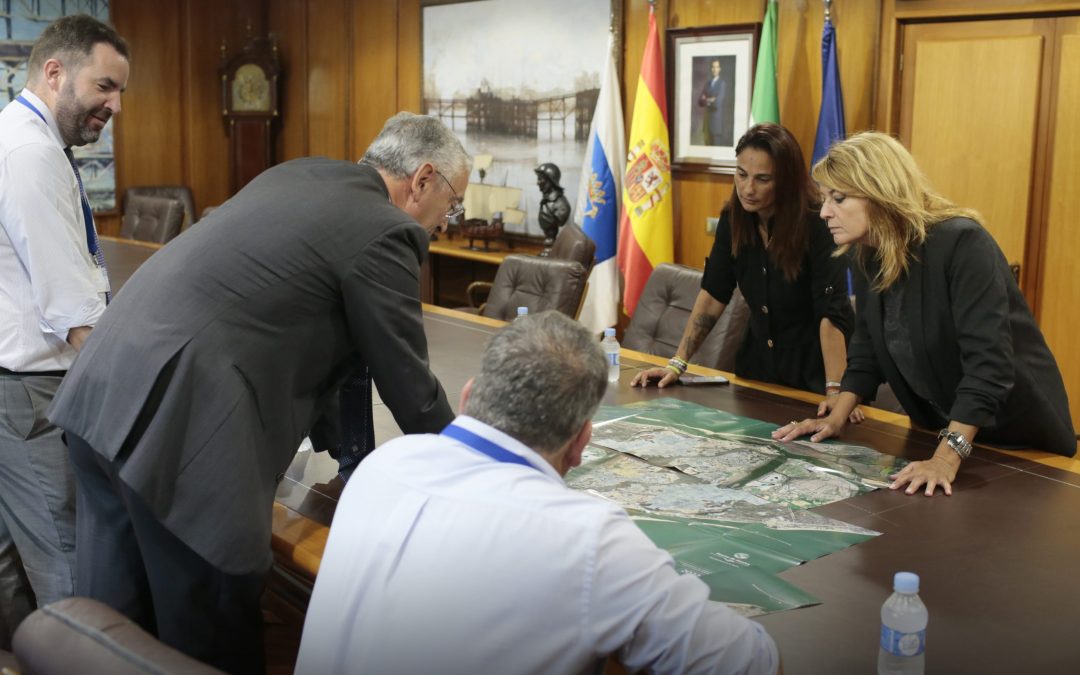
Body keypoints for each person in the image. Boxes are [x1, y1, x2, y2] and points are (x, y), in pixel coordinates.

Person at [47, 111, 467, 673]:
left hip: (100, 398)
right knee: (206, 637)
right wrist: (474, 462)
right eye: (453, 202)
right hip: (178, 435)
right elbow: (409, 384)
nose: (448, 220)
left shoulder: (300, 175)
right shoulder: (385, 228)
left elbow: (315, 333)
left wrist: (347, 454)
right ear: (422, 179)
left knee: (112, 635)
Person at [295, 311, 781, 675]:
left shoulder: (385, 466)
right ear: (581, 443)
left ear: (467, 398)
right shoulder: (587, 539)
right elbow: (751, 663)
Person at [773, 131, 1075, 497]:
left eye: (838, 198)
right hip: (945, 435)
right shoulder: (868, 251)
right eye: (824, 199)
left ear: (881, 193)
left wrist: (947, 458)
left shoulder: (963, 244)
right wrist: (835, 419)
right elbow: (868, 349)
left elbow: (989, 365)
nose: (824, 212)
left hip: (1018, 443)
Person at [0, 14, 129, 646]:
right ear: (55, 73)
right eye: (106, 86)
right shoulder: (30, 152)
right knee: (71, 571)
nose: (116, 105)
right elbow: (74, 311)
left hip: (18, 390)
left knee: (16, 573)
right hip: (32, 396)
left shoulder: (22, 137)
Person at [632, 124, 859, 421]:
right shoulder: (733, 218)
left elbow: (830, 312)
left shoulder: (818, 222)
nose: (748, 188)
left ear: (786, 181)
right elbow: (714, 292)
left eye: (762, 179)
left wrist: (835, 392)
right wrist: (677, 364)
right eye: (741, 174)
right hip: (757, 369)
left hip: (814, 374)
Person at [535, 161, 571, 245]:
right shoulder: (546, 201)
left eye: (540, 179)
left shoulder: (562, 205)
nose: (537, 183)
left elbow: (561, 219)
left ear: (550, 181)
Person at [698, 58, 729, 146]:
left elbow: (717, 103)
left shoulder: (722, 84)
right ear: (711, 69)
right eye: (713, 67)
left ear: (720, 69)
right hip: (706, 125)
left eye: (717, 67)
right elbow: (700, 101)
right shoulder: (707, 84)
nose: (715, 69)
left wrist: (706, 100)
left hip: (716, 125)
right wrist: (710, 99)